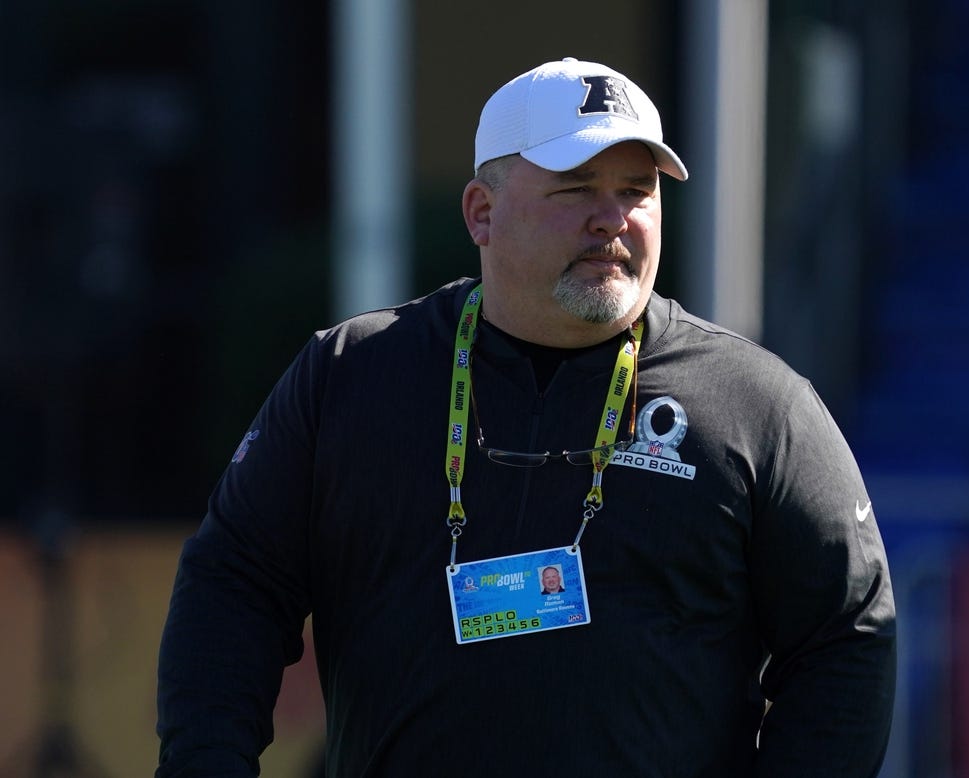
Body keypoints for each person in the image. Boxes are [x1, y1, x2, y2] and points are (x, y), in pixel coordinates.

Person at [156, 57, 896, 776]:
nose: (612, 220)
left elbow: (848, 635)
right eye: (576, 190)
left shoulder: (757, 402)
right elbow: (235, 583)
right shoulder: (349, 374)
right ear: (482, 212)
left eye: (637, 192)